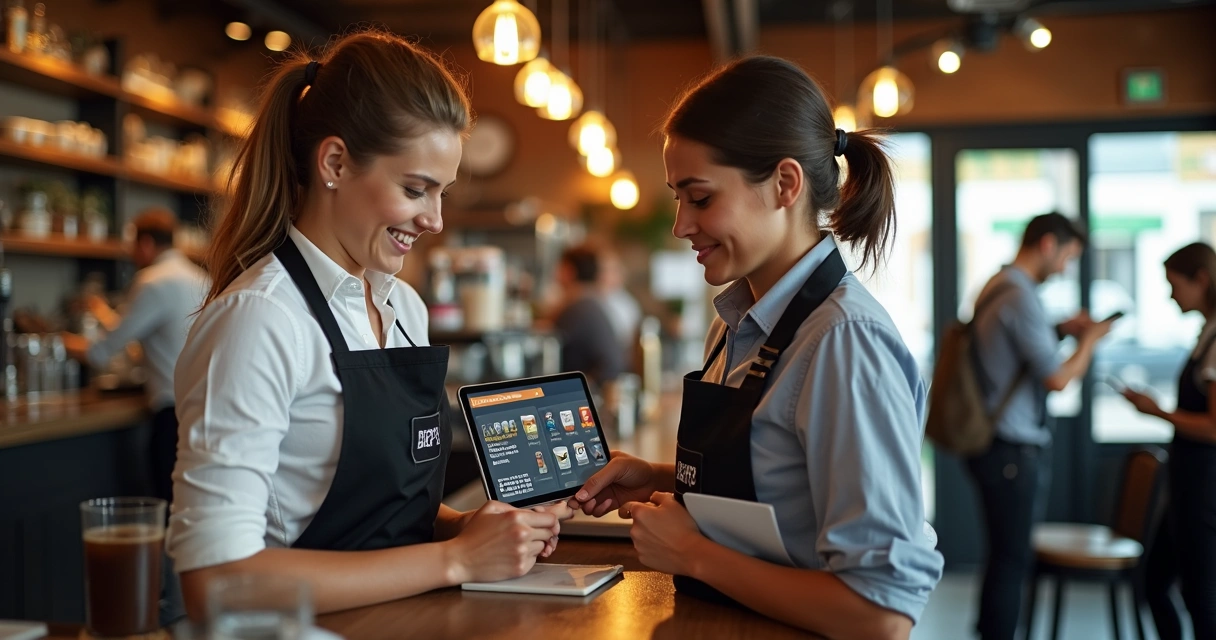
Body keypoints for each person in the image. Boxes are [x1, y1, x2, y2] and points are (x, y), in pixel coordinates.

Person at [166, 31, 566, 618]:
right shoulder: (260, 320)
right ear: (334, 163)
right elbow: (217, 581)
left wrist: (470, 529)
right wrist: (456, 560)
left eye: (442, 193)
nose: (434, 220)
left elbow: (381, 503)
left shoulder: (404, 306)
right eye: (415, 189)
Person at [568, 56, 942, 638]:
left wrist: (694, 554)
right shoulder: (743, 318)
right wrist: (663, 480)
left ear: (785, 185)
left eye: (700, 197)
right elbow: (790, 487)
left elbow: (881, 614)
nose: (680, 224)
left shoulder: (843, 342)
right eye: (677, 198)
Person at [966, 212, 1114, 640]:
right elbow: (1058, 378)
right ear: (1048, 244)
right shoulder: (1020, 295)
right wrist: (1089, 340)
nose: (1066, 268)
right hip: (1011, 449)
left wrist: (1061, 329)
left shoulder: (999, 285)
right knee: (1012, 561)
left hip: (995, 444)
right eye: (1068, 257)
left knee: (1002, 558)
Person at [63, 207, 208, 504]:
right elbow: (143, 335)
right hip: (204, 410)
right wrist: (103, 313)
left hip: (173, 416)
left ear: (144, 244)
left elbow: (100, 352)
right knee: (190, 510)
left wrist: (55, 341)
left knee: (166, 509)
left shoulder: (152, 280)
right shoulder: (199, 277)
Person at [1122, 242, 1216, 640]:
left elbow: (1214, 427)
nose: (1170, 294)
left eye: (1174, 284)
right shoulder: (1205, 334)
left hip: (1204, 488)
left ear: (1201, 280)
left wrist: (1156, 411)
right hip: (1186, 486)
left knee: (1201, 597)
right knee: (1156, 582)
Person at [553, 245, 625, 388]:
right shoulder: (590, 303)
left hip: (591, 396)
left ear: (568, 271)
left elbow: (551, 341)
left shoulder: (579, 307)